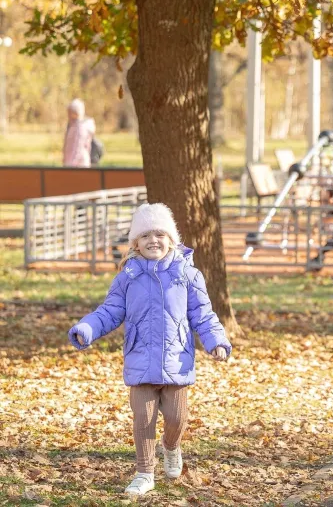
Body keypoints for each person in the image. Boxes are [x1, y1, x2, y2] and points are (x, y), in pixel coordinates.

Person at [67, 203, 232, 496]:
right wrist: (87, 328)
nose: (153, 240)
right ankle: (144, 473)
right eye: (145, 236)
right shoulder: (127, 278)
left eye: (159, 234)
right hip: (140, 361)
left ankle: (171, 447)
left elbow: (203, 315)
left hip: (175, 362)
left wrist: (216, 341)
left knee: (176, 419)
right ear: (136, 243)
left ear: (171, 239)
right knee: (143, 419)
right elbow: (109, 311)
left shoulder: (188, 275)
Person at [63, 99, 97, 167]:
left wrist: (69, 166)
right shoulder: (73, 125)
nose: (68, 114)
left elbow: (77, 148)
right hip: (71, 164)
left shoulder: (80, 127)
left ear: (75, 113)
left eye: (70, 112)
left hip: (79, 165)